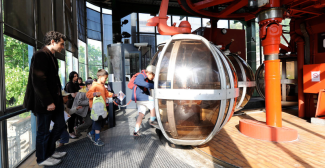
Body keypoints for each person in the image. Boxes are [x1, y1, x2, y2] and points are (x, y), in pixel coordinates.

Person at [23, 31, 67, 166]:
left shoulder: (52, 57)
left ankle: (50, 151)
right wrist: (48, 102)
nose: (63, 47)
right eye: (61, 44)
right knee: (43, 131)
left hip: (55, 101)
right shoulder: (40, 55)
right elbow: (38, 81)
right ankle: (42, 158)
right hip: (44, 103)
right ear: (52, 42)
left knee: (60, 125)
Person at [86, 69, 114, 146]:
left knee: (99, 122)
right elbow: (88, 94)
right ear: (100, 77)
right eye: (105, 78)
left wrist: (114, 95)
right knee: (98, 123)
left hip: (101, 107)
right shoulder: (94, 85)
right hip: (95, 108)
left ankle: (91, 133)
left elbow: (107, 93)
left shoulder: (102, 86)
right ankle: (97, 140)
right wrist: (94, 93)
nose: (106, 80)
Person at [132, 65, 158, 136]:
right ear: (149, 72)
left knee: (141, 114)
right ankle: (152, 120)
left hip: (140, 99)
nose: (153, 77)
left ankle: (136, 131)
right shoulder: (141, 76)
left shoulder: (148, 79)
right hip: (141, 96)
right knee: (152, 101)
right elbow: (138, 82)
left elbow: (153, 85)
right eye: (153, 75)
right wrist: (151, 85)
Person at [65, 71, 79, 139]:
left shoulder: (75, 84)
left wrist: (77, 93)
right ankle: (70, 132)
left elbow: (78, 93)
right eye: (75, 76)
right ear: (71, 77)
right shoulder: (69, 84)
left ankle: (72, 131)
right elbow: (73, 95)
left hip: (75, 102)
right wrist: (78, 93)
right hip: (70, 102)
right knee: (71, 117)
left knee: (74, 117)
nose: (76, 77)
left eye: (76, 76)